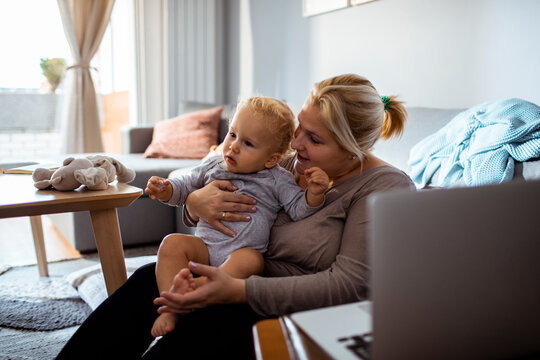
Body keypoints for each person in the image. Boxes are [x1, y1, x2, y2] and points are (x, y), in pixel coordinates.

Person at [55, 74, 415, 359]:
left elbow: (348, 287)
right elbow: (227, 203)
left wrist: (239, 290)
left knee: (202, 326)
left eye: (313, 139)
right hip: (227, 274)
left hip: (278, 307)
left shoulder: (383, 189)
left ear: (355, 148)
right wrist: (194, 203)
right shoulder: (289, 161)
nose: (295, 144)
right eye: (299, 129)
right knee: (149, 280)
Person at [146, 96, 329, 337]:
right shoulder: (214, 164)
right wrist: (166, 189)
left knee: (253, 261)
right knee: (171, 243)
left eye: (248, 143)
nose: (233, 146)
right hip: (204, 248)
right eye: (232, 134)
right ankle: (170, 307)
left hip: (240, 254)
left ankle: (194, 290)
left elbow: (299, 208)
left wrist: (314, 194)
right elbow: (184, 187)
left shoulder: (277, 178)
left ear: (272, 159)